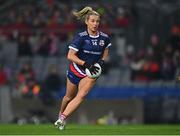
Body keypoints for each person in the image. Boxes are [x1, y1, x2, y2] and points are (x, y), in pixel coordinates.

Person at [54, 6, 111, 130]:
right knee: (68, 97)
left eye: (97, 21)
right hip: (76, 69)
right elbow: (70, 55)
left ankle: (62, 118)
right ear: (87, 22)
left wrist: (101, 61)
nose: (95, 24)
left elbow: (106, 50)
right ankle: (61, 113)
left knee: (81, 95)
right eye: (92, 21)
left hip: (91, 73)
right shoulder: (81, 37)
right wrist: (85, 64)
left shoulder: (104, 38)